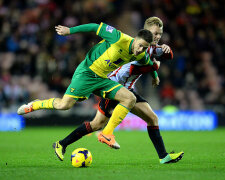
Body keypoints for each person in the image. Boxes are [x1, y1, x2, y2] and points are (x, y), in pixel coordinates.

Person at [53, 17, 184, 164]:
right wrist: (155, 67)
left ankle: (163, 156)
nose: (158, 37)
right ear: (145, 32)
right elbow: (138, 67)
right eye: (155, 33)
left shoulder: (148, 48)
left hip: (128, 90)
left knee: (152, 118)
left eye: (160, 34)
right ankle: (70, 142)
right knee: (97, 124)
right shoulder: (136, 47)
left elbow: (165, 56)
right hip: (115, 87)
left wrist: (160, 64)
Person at [17, 22, 159, 154]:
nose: (140, 49)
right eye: (140, 45)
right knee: (64, 105)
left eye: (145, 48)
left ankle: (107, 133)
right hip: (87, 73)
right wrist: (69, 31)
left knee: (129, 98)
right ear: (135, 39)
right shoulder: (118, 37)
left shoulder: (140, 53)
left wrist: (155, 76)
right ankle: (34, 105)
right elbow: (94, 27)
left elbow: (148, 63)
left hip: (102, 79)